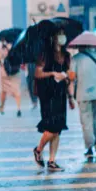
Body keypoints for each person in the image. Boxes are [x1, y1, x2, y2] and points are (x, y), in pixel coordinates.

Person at [33, 23, 75, 171]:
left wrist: (70, 96)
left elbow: (69, 76)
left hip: (61, 93)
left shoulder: (67, 56)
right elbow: (37, 74)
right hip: (47, 94)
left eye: (63, 34)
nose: (62, 37)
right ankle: (38, 150)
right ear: (53, 37)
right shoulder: (45, 54)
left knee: (58, 128)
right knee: (51, 126)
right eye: (59, 34)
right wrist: (52, 73)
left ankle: (52, 161)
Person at [71, 46, 96, 157]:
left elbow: (72, 77)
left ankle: (89, 148)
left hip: (84, 93)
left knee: (86, 120)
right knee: (95, 117)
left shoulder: (75, 58)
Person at [0, 39, 22, 117]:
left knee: (4, 91)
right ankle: (18, 108)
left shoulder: (2, 49)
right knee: (16, 90)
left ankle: (2, 107)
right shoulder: (17, 47)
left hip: (5, 73)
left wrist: (2, 65)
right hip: (15, 72)